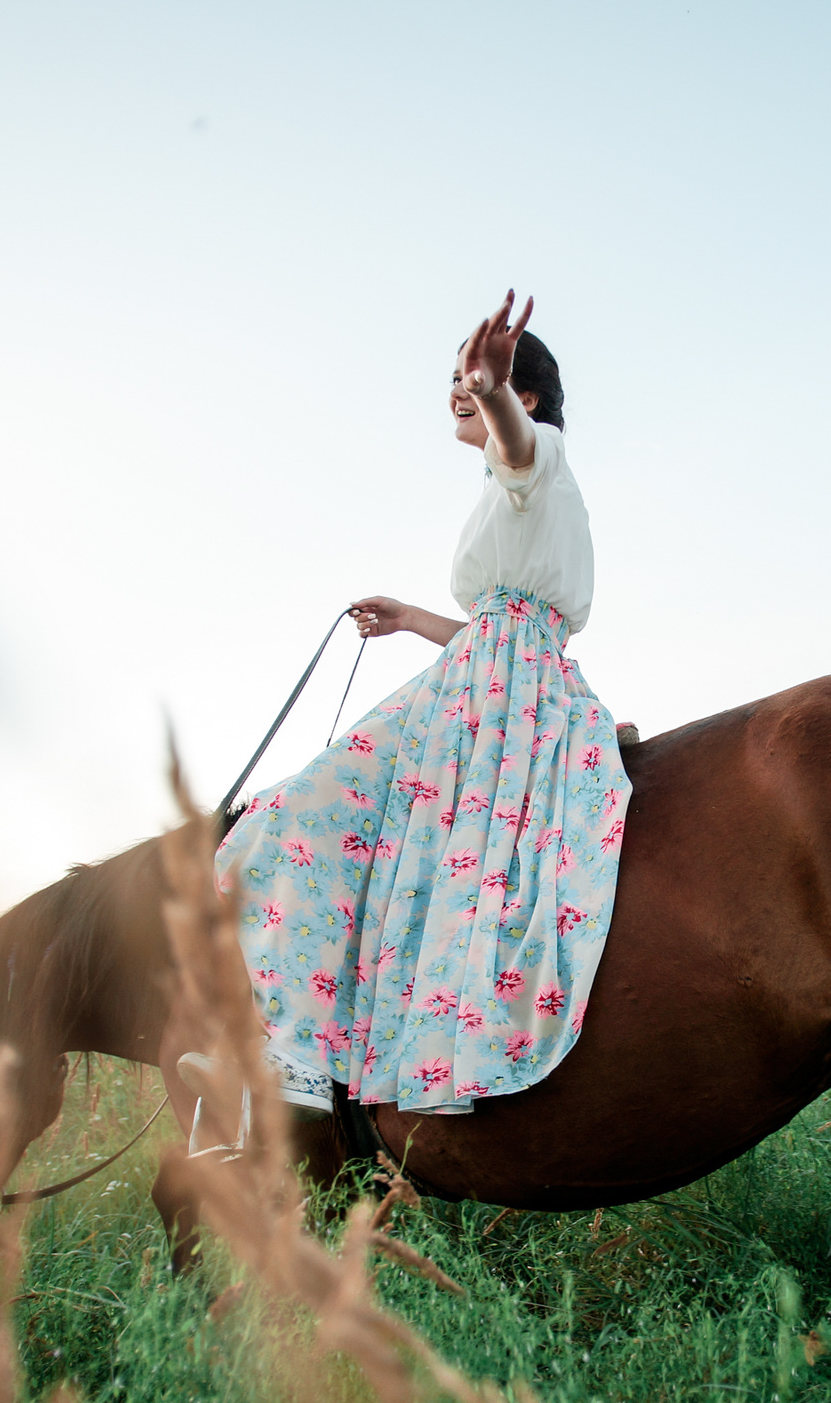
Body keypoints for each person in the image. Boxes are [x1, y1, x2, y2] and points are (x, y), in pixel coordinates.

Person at [212, 290, 631, 1119]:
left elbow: (514, 447)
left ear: (527, 394)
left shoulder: (534, 450)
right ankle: (299, 1044)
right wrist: (410, 619)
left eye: (465, 379)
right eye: (456, 378)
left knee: (307, 810)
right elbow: (496, 620)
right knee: (345, 829)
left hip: (500, 689)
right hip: (482, 673)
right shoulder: (511, 494)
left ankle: (299, 1056)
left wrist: (494, 391)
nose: (456, 390)